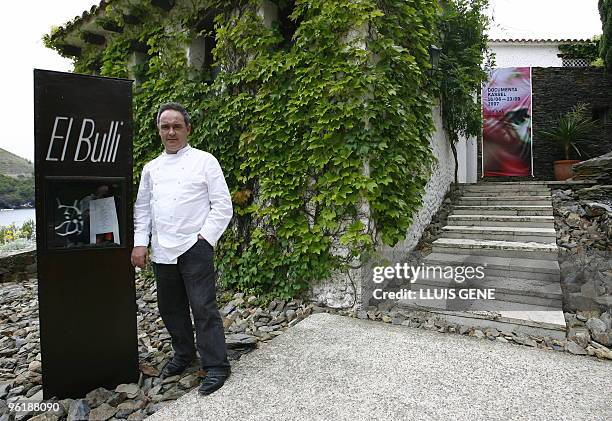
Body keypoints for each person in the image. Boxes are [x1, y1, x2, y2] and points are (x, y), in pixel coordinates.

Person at [131, 102, 233, 395]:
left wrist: (205, 239)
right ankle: (184, 354)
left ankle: (216, 366)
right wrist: (141, 243)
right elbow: (143, 210)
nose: (171, 131)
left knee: (203, 307)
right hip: (163, 250)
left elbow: (222, 206)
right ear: (159, 131)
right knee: (170, 308)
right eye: (166, 127)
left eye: (177, 126)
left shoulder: (205, 161)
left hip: (194, 246)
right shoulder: (151, 168)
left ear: (188, 129)